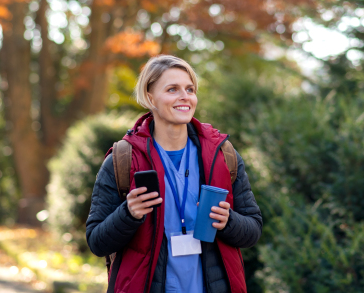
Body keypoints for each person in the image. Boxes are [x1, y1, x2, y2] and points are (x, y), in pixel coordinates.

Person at [85, 55, 262, 293]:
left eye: (190, 89)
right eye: (172, 89)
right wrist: (128, 214)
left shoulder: (222, 154)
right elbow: (96, 241)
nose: (185, 97)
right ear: (150, 98)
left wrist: (229, 222)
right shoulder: (123, 159)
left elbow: (253, 230)